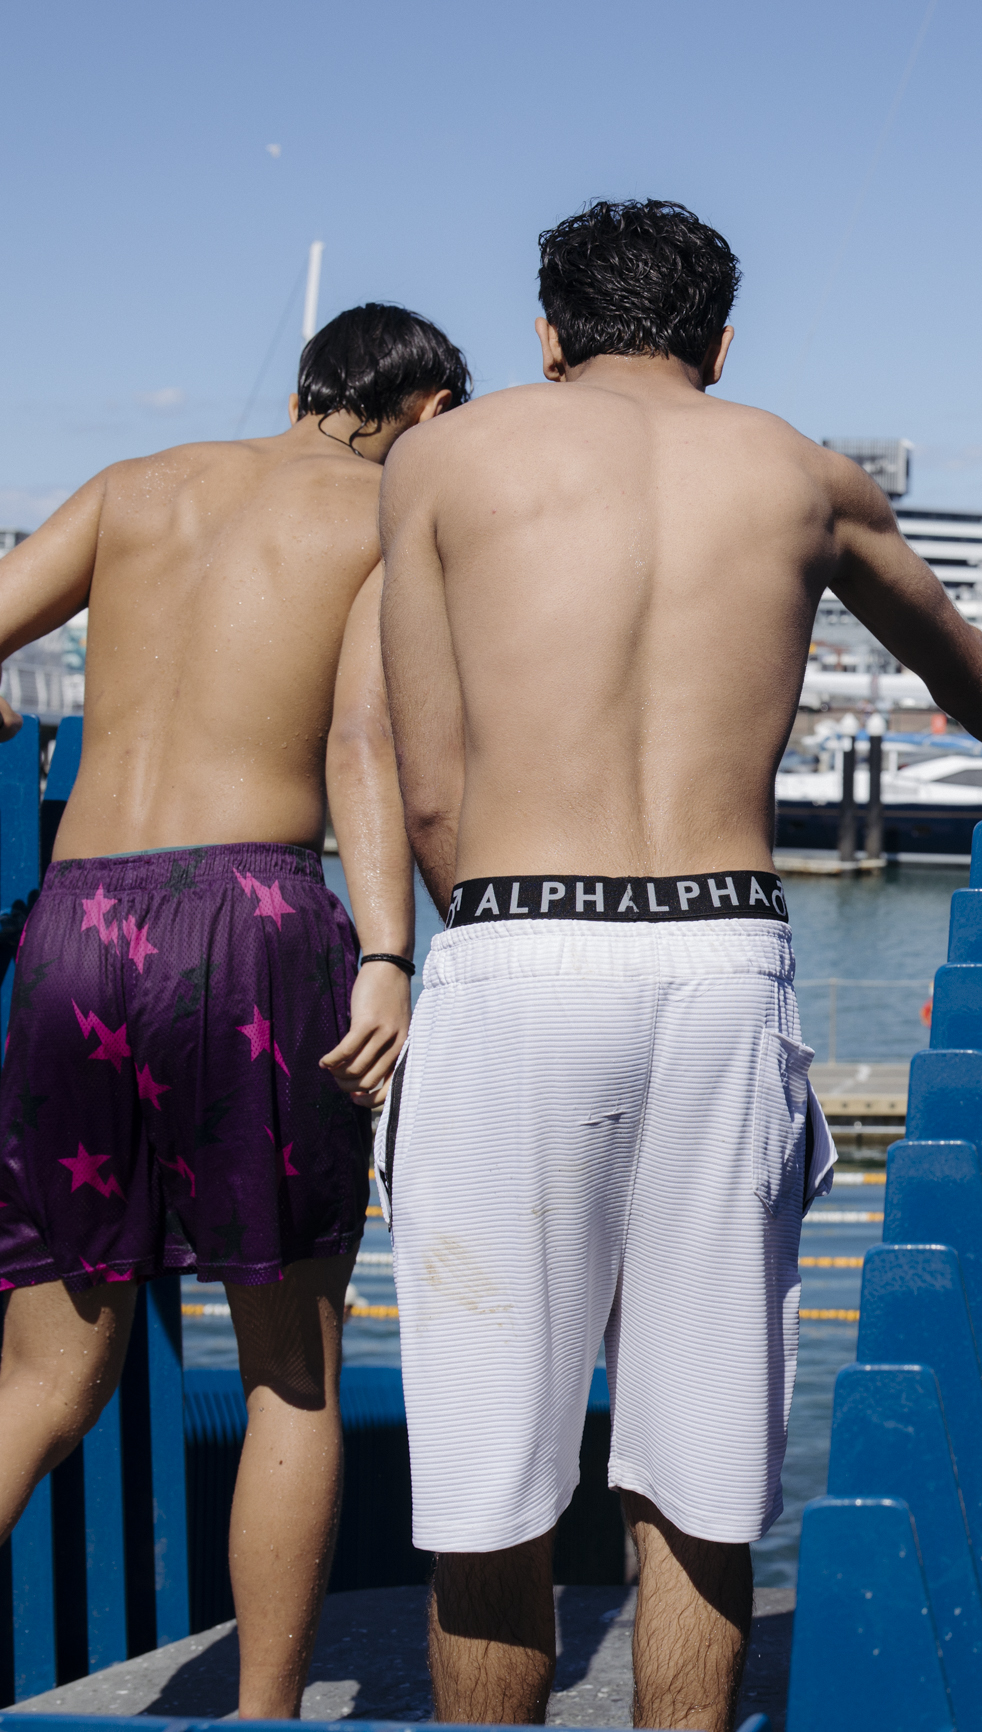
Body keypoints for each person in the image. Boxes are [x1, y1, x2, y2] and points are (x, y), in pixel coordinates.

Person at [376, 199, 982, 1732]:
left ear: (547, 334)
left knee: (489, 1487)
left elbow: (430, 792)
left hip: (518, 939)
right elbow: (981, 678)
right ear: (721, 343)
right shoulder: (804, 473)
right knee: (701, 1474)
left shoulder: (443, 461)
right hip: (722, 956)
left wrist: (507, 939)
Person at [0, 306, 466, 1717]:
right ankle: (263, 1717)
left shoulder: (134, 485)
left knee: (42, 1381)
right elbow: (363, 742)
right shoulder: (387, 514)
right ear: (425, 407)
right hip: (251, 921)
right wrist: (387, 952)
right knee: (290, 1370)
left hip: (74, 925)